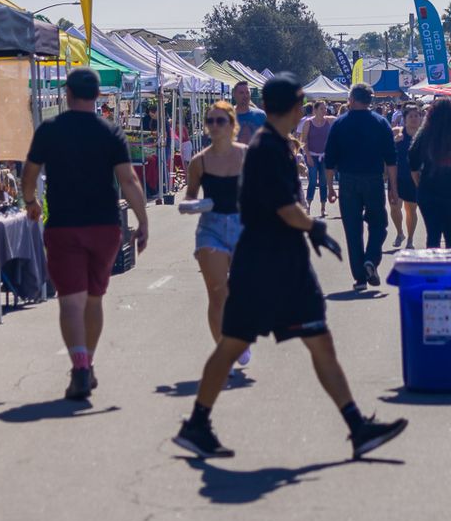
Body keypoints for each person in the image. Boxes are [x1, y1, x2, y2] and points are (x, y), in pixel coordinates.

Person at [171, 75, 408, 460]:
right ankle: (197, 423)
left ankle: (357, 426)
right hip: (266, 263)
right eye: (301, 103)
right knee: (233, 343)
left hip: (282, 263)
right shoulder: (266, 148)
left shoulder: (273, 144)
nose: (304, 109)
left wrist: (308, 231)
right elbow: (283, 207)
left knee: (318, 342)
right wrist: (313, 226)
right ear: (292, 107)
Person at [23, 67, 151, 401]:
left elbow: (29, 171)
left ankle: (80, 367)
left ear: (67, 93)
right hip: (104, 226)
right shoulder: (110, 132)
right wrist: (143, 220)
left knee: (70, 300)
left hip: (64, 224)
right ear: (98, 96)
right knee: (94, 298)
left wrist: (30, 201)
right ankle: (88, 363)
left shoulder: (49, 129)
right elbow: (129, 180)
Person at [185, 100, 247, 360]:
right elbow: (189, 197)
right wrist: (194, 205)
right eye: (210, 121)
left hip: (245, 226)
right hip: (210, 228)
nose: (214, 126)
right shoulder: (199, 162)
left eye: (220, 121)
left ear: (232, 125)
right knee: (217, 292)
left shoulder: (247, 154)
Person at [322, 83, 398, 290]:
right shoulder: (381, 123)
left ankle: (360, 277)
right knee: (378, 225)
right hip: (373, 179)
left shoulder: (340, 124)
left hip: (347, 181)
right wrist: (394, 188)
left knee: (353, 229)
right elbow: (391, 159)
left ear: (352, 99)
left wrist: (329, 187)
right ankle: (371, 259)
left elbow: (329, 160)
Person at [408, 98, 451, 249]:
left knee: (432, 236)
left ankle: (434, 271)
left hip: (428, 192)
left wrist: (419, 184)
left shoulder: (425, 134)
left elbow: (413, 160)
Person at [297, 100, 335, 217]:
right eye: (321, 109)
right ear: (315, 110)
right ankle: (308, 206)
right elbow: (303, 141)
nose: (324, 111)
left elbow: (342, 120)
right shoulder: (308, 123)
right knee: (312, 181)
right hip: (312, 155)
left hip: (324, 156)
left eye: (325, 109)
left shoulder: (329, 121)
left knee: (323, 182)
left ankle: (323, 208)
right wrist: (307, 156)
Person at [391, 102, 420, 249]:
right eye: (411, 116)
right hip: (396, 177)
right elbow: (386, 151)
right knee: (394, 207)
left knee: (411, 209)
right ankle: (399, 233)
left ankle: (410, 239)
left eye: (417, 116)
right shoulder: (397, 132)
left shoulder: (423, 135)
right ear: (405, 118)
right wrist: (393, 142)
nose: (414, 119)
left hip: (414, 178)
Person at [230, 80, 266, 144]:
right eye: (241, 93)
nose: (245, 96)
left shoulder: (261, 115)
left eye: (247, 92)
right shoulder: (227, 115)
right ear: (234, 94)